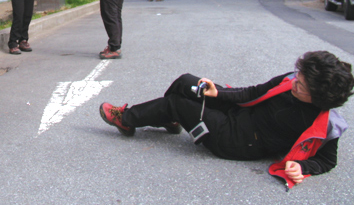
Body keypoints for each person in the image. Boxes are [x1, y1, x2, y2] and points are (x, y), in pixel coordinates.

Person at [99, 51, 354, 190]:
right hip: (241, 112)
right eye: (298, 76)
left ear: (319, 98)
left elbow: (326, 161)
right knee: (187, 81)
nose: (295, 82)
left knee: (177, 103)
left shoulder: (324, 124)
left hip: (237, 141)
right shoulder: (291, 80)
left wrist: (303, 168)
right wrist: (218, 93)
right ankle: (170, 119)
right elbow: (254, 92)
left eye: (302, 85)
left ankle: (129, 119)